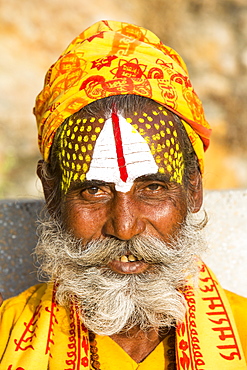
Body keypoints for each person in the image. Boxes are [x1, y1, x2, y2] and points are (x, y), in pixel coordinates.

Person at [0, 20, 246, 370]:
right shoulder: (7, 336)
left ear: (193, 188)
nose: (125, 227)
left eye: (153, 188)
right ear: (51, 193)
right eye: (95, 190)